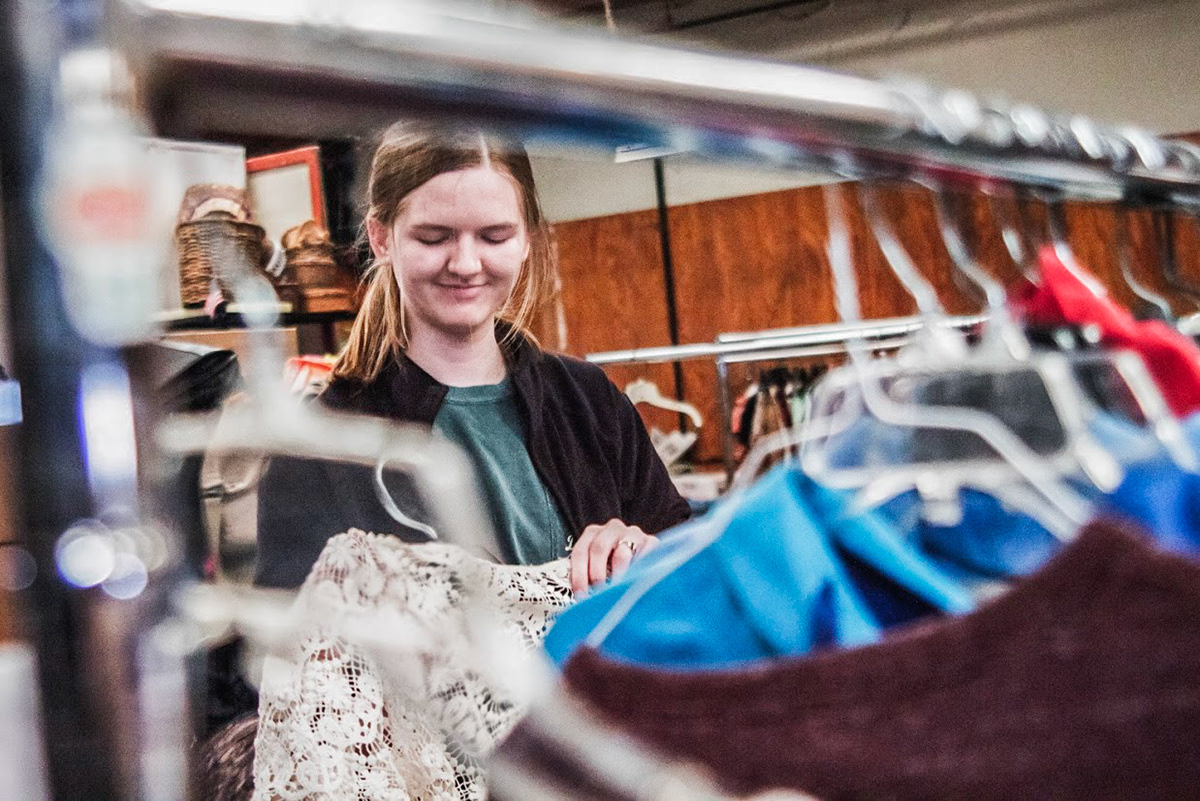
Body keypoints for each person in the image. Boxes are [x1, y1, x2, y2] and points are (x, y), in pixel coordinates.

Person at [254, 121, 690, 593]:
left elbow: (690, 577)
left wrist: (639, 546)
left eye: (494, 237)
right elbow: (289, 646)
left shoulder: (591, 404)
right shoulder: (320, 446)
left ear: (527, 240)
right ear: (382, 239)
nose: (465, 264)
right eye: (433, 237)